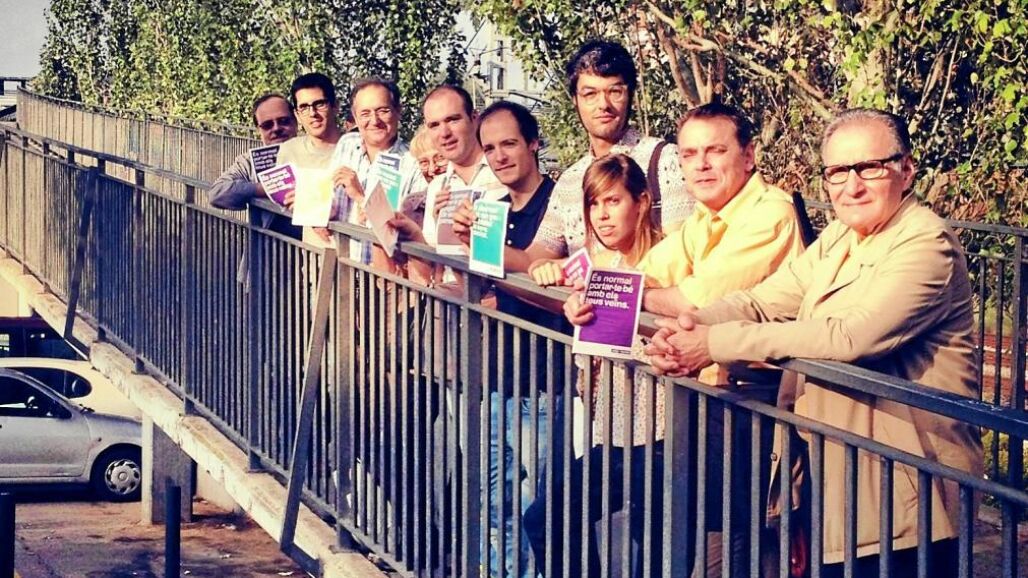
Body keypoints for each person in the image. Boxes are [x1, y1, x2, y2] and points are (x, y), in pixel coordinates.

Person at [645, 108, 983, 578]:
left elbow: (851, 336)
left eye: (870, 167)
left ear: (906, 170)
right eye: (838, 172)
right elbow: (764, 300)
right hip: (844, 474)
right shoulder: (842, 236)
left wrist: (713, 343)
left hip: (907, 490)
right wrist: (690, 325)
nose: (852, 185)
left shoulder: (927, 243)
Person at [523, 153, 665, 578]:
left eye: (613, 201)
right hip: (614, 432)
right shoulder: (596, 261)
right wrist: (553, 279)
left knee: (653, 549)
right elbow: (542, 266)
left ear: (641, 202)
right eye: (593, 204)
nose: (601, 215)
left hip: (664, 432)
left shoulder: (668, 257)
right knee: (545, 518)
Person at [482, 39, 693, 273]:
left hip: (647, 296)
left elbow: (678, 257)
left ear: (631, 95)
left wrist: (579, 266)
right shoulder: (570, 180)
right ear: (575, 100)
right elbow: (532, 259)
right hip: (579, 299)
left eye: (614, 91)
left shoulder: (664, 160)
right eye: (590, 94)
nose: (603, 104)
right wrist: (476, 237)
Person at [330, 77, 425, 268]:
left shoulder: (414, 163)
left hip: (383, 277)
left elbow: (404, 231)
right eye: (365, 113)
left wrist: (361, 197)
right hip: (342, 270)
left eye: (383, 110)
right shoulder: (347, 144)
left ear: (398, 111)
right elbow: (327, 198)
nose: (374, 121)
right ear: (355, 117)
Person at [278, 72, 344, 245]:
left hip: (354, 256)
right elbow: (285, 202)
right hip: (313, 254)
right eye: (304, 107)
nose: (312, 113)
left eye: (319, 104)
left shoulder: (356, 149)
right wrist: (310, 212)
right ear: (297, 114)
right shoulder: (289, 151)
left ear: (335, 106)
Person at [208, 93, 298, 216]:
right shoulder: (250, 162)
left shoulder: (316, 150)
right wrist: (267, 188)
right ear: (258, 130)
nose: (276, 128)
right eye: (267, 125)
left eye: (283, 121)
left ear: (296, 121)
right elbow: (217, 193)